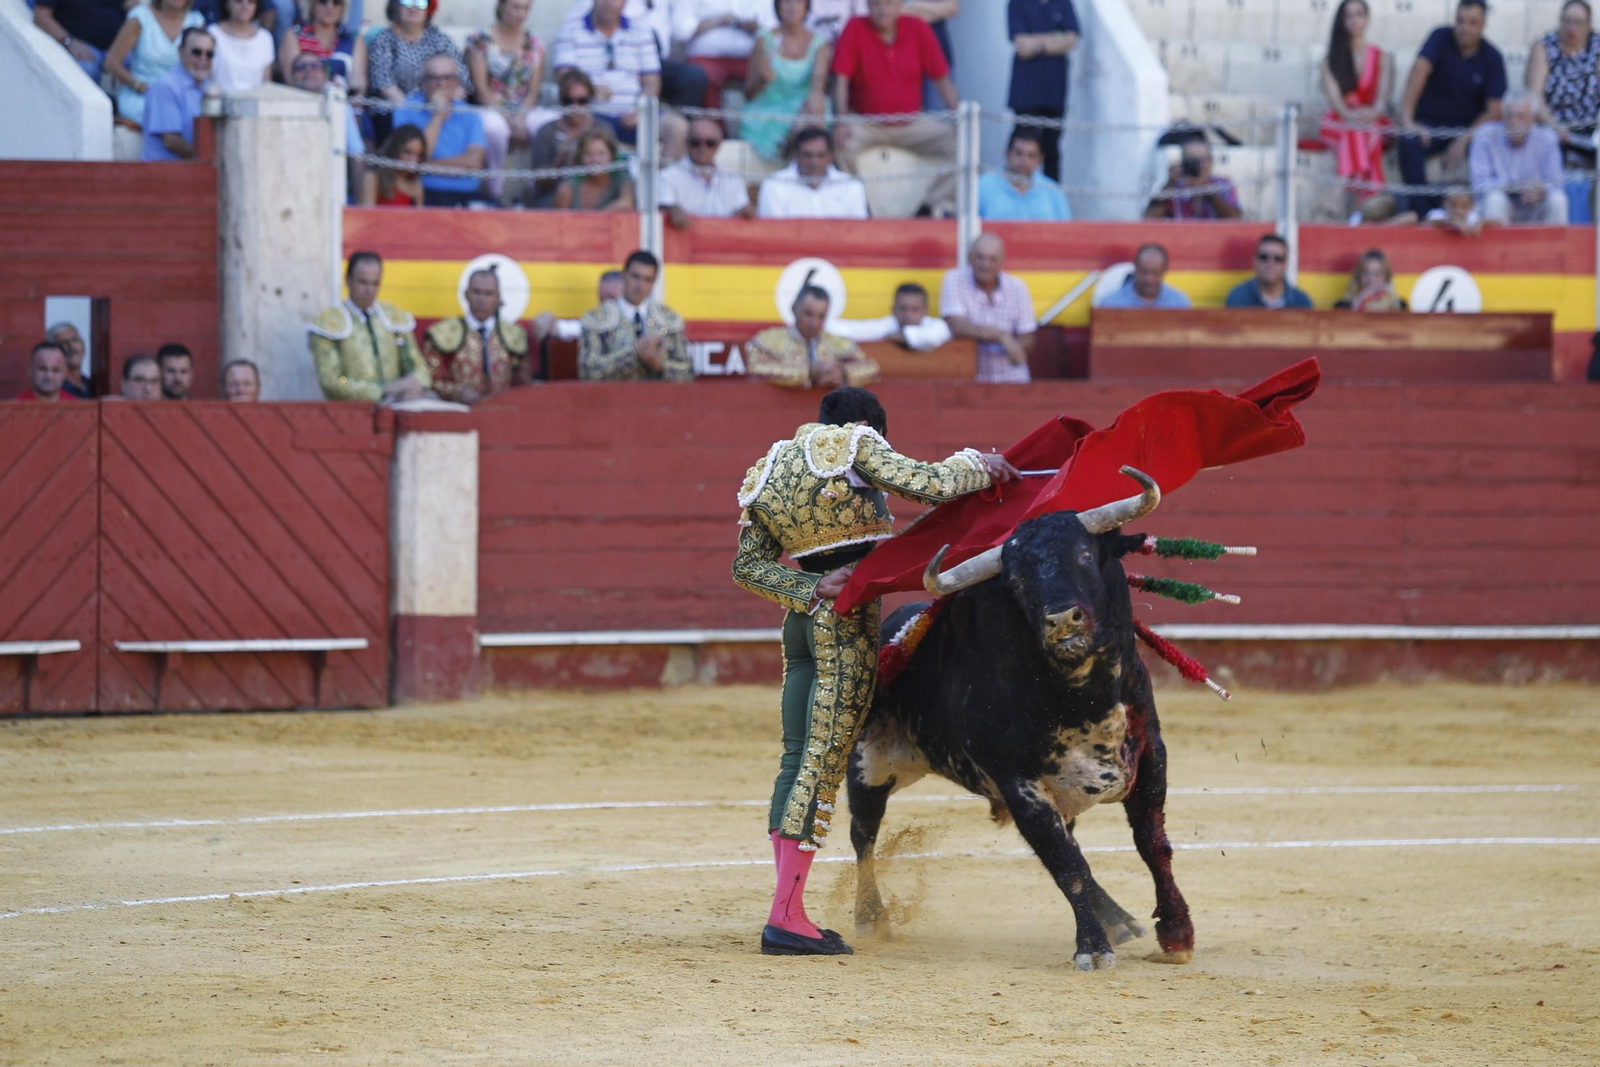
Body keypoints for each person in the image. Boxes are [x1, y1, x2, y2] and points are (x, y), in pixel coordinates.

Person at [731, 385, 1016, 956]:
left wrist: (809, 586)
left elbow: (747, 567)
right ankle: (785, 918)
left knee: (796, 760)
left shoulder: (768, 467)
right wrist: (977, 465)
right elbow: (925, 484)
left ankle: (787, 907)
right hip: (845, 623)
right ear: (867, 425)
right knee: (823, 762)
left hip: (802, 619)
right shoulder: (855, 442)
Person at [831, 0, 959, 216]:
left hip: (911, 124)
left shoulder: (918, 27)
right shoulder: (854, 27)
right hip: (866, 123)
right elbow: (840, 80)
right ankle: (858, 206)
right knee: (842, 142)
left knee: (961, 141)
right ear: (868, 7)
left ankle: (932, 206)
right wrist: (841, 119)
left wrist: (960, 116)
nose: (883, 10)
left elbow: (942, 80)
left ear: (900, 6)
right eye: (877, 4)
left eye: (889, 4)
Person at [1397, 0, 1507, 216]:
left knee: (1491, 140)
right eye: (1460, 21)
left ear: (1483, 24)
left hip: (1469, 133)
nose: (1464, 28)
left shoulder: (1493, 57)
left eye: (1472, 22)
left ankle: (1478, 216)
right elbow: (1419, 70)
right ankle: (1424, 215)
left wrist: (1464, 139)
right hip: (1430, 127)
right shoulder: (1440, 37)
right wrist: (1408, 120)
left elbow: (1494, 110)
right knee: (1407, 140)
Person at [308, 251, 432, 401]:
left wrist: (414, 386)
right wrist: (383, 391)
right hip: (352, 415)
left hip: (396, 408)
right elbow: (334, 380)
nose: (369, 290)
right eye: (363, 282)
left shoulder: (395, 318)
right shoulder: (328, 323)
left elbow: (418, 367)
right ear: (348, 280)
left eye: (375, 283)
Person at [468, 0, 551, 202]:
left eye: (525, 8)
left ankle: (536, 187)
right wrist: (507, 117)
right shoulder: (480, 40)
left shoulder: (535, 43)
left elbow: (533, 92)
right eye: (516, 7)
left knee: (548, 124)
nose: (521, 13)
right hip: (489, 107)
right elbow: (481, 90)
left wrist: (520, 117)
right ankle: (494, 189)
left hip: (524, 109)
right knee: (496, 129)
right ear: (502, 6)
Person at [550, 0, 662, 147]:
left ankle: (666, 171)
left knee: (676, 128)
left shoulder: (642, 31)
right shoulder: (570, 30)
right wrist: (591, 89)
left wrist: (640, 110)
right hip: (591, 115)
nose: (608, 3)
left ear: (624, 3)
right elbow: (564, 76)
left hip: (634, 115)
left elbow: (652, 82)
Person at [391, 52, 487, 207]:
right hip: (423, 195)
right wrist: (438, 116)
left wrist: (427, 165)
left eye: (448, 78)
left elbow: (474, 161)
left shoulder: (470, 114)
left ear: (456, 82)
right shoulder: (406, 110)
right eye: (434, 78)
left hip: (465, 196)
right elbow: (412, 161)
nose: (441, 84)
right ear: (422, 83)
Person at [578, 251, 693, 380]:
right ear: (624, 275)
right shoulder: (596, 318)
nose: (640, 285)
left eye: (647, 279)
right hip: (614, 398)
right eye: (635, 277)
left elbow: (688, 372)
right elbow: (588, 372)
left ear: (654, 282)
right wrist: (636, 354)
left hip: (660, 399)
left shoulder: (669, 318)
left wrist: (658, 366)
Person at [421, 268, 531, 403]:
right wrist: (457, 392)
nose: (482, 299)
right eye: (476, 292)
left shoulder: (516, 335)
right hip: (458, 412)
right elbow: (428, 380)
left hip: (503, 413)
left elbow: (524, 384)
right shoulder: (442, 333)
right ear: (466, 294)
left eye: (488, 294)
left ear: (498, 298)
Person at [1319, 0, 1393, 199]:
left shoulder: (1382, 57)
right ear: (1341, 21)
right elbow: (1337, 103)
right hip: (1338, 123)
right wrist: (1353, 116)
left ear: (1367, 19)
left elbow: (1381, 101)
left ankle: (1338, 190)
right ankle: (1368, 200)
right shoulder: (1330, 61)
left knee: (1364, 131)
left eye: (1359, 14)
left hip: (1371, 121)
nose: (1354, 20)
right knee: (1359, 131)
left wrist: (1370, 114)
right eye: (1349, 15)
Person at [741, 0, 832, 162]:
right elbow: (749, 93)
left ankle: (792, 145)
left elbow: (818, 87)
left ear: (806, 8)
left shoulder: (819, 42)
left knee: (816, 103)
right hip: (769, 110)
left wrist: (812, 102)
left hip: (804, 111)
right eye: (786, 2)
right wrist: (761, 80)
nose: (792, 6)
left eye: (798, 2)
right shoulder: (764, 39)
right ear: (778, 7)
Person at [940, 233, 1036, 384]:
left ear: (1002, 261)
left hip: (1013, 377)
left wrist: (1014, 346)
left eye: (992, 259)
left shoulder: (1018, 287)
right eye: (980, 257)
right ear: (969, 257)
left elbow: (1028, 338)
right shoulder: (954, 279)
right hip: (970, 378)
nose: (985, 264)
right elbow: (957, 326)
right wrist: (1001, 336)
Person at [747, 285, 881, 389]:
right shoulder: (769, 340)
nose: (814, 323)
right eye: (808, 314)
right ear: (794, 308)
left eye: (821, 316)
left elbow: (871, 368)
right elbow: (753, 367)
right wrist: (808, 371)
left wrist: (843, 373)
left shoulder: (837, 343)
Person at [1006, 0, 1079, 182]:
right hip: (1025, 92)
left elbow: (1072, 39)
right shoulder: (1016, 4)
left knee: (1052, 149)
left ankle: (1052, 199)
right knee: (1022, 148)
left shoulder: (1063, 3)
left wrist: (1037, 44)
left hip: (1055, 92)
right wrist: (1056, 37)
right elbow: (1021, 44)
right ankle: (1017, 194)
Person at [1470, 90, 1568, 223]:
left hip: (1535, 205)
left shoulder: (1547, 138)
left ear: (1532, 118)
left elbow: (1556, 182)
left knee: (1558, 200)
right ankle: (1497, 244)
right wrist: (1513, 187)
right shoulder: (1484, 136)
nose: (1514, 122)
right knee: (1495, 200)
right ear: (1502, 117)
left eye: (1521, 116)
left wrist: (1541, 190)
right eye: (1509, 116)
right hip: (1502, 205)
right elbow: (1479, 184)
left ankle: (1556, 244)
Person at [105, 0, 205, 130]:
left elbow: (204, 65)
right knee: (168, 116)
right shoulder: (141, 17)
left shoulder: (196, 21)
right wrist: (141, 87)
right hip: (143, 96)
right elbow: (111, 62)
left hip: (182, 96)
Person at [1526, 0, 1600, 167]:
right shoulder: (1544, 46)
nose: (1571, 27)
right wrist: (1556, 128)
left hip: (1590, 131)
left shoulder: (1597, 46)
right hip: (1551, 129)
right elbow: (1534, 96)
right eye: (1567, 21)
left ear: (1588, 25)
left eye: (1578, 22)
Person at [368, 0, 471, 106]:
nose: (413, 7)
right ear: (396, 6)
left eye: (421, 2)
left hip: (444, 108)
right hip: (396, 109)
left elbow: (463, 81)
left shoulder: (440, 39)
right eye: (407, 1)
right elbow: (383, 83)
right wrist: (413, 111)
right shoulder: (384, 40)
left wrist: (446, 105)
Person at [672, 0, 772, 108]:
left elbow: (774, 27)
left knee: (770, 75)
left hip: (749, 56)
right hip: (707, 56)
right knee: (702, 77)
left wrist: (755, 28)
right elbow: (680, 31)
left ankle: (763, 123)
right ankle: (712, 123)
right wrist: (719, 21)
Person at [757, 126, 869, 218]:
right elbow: (773, 234)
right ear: (796, 155)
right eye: (807, 155)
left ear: (831, 156)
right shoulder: (774, 184)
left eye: (821, 155)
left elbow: (857, 232)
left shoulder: (851, 185)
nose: (814, 162)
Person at [660, 117, 753, 227]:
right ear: (687, 144)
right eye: (696, 142)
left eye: (710, 143)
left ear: (719, 145)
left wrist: (745, 213)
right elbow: (661, 208)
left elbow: (741, 214)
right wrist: (671, 209)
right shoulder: (667, 177)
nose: (702, 148)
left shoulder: (733, 180)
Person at [141, 27, 214, 161]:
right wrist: (209, 159)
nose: (203, 59)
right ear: (181, 51)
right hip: (164, 175)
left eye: (209, 54)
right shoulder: (165, 86)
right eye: (196, 52)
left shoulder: (209, 87)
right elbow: (171, 141)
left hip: (194, 172)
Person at [527, 70, 598, 207]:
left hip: (595, 199)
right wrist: (559, 161)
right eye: (568, 101)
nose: (574, 107)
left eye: (582, 101)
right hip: (552, 200)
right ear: (560, 101)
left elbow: (616, 176)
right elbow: (539, 185)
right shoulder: (546, 132)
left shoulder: (602, 130)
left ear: (590, 100)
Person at [978, 128, 1071, 220]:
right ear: (1007, 153)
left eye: (1031, 155)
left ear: (1040, 158)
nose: (1024, 161)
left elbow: (1067, 231)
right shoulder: (983, 186)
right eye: (1019, 153)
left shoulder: (1053, 191)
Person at [1144, 134, 1242, 219]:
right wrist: (1169, 185)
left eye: (1202, 160)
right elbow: (1149, 219)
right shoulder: (1174, 187)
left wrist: (1209, 192)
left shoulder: (1222, 185)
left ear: (1211, 160)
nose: (1197, 166)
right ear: (1183, 162)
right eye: (1191, 160)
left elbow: (1236, 220)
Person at [829, 282, 952, 349]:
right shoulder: (888, 324)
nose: (908, 315)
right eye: (903, 309)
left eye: (915, 310)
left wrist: (900, 337)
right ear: (893, 310)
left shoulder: (936, 325)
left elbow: (933, 336)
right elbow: (846, 329)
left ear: (926, 311)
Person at [33, 0, 129, 83]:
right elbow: (41, 16)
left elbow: (127, 5)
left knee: (141, 66)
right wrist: (69, 41)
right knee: (88, 69)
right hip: (79, 44)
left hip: (117, 46)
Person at [278, 0, 365, 92]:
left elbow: (358, 85)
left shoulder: (353, 40)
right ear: (312, 4)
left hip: (344, 103)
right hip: (304, 101)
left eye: (336, 2)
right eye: (323, 1)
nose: (329, 7)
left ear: (343, 8)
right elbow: (291, 81)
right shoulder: (295, 35)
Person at [552, 127, 636, 211]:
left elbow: (627, 203)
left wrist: (598, 219)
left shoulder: (621, 178)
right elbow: (557, 221)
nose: (595, 160)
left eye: (601, 154)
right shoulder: (568, 189)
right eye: (588, 154)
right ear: (580, 157)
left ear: (611, 155)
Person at [1224, 234, 1314, 309]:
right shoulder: (1237, 298)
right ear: (1255, 261)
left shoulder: (1301, 302)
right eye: (1264, 257)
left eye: (1278, 259)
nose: (1270, 263)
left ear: (1286, 264)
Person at [1097, 243, 1192, 310]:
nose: (1149, 279)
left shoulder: (1179, 304)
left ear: (1165, 270)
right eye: (1144, 272)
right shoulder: (1111, 305)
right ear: (1135, 268)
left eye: (1155, 273)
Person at [208, 0, 273, 92]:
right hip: (220, 101)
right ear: (226, 4)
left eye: (251, 1)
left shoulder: (265, 38)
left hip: (255, 103)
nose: (245, 5)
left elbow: (266, 84)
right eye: (238, 1)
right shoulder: (212, 34)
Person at [358, 123, 427, 206]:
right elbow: (365, 216)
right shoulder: (373, 178)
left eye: (418, 155)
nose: (413, 160)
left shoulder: (416, 186)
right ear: (395, 149)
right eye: (408, 152)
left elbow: (419, 218)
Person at [1334, 250, 1407, 311]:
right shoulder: (1342, 307)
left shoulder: (1400, 308)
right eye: (1365, 274)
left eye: (1377, 274)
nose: (1371, 280)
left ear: (1386, 277)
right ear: (1358, 276)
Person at [46, 322, 92, 398]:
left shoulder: (92, 385)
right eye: (62, 342)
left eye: (74, 340)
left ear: (83, 346)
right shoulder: (52, 386)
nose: (70, 346)